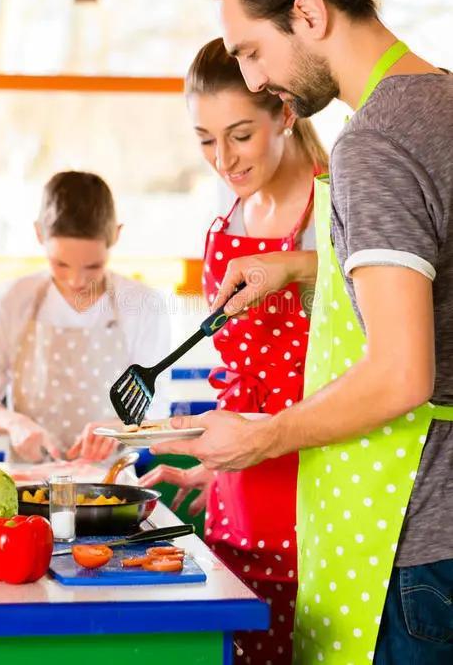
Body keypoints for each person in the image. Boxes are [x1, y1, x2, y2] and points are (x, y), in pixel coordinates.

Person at [150, 0, 453, 663]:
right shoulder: (442, 103)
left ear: (310, 14)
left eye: (253, 51)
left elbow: (400, 372)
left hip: (412, 545)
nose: (253, 81)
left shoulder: (374, 144)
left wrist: (260, 435)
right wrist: (298, 267)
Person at [140, 37, 327, 664]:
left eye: (240, 134)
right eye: (205, 139)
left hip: (321, 505)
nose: (223, 158)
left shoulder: (339, 205)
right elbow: (242, 382)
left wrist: (300, 266)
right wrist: (212, 460)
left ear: (286, 113)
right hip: (236, 509)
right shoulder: (225, 228)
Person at [0, 171, 170, 464]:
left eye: (93, 266)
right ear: (38, 234)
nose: (75, 281)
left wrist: (119, 429)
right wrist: (14, 423)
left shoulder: (144, 304)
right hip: (26, 488)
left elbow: (158, 408)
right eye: (60, 263)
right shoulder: (9, 300)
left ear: (117, 235)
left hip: (112, 491)